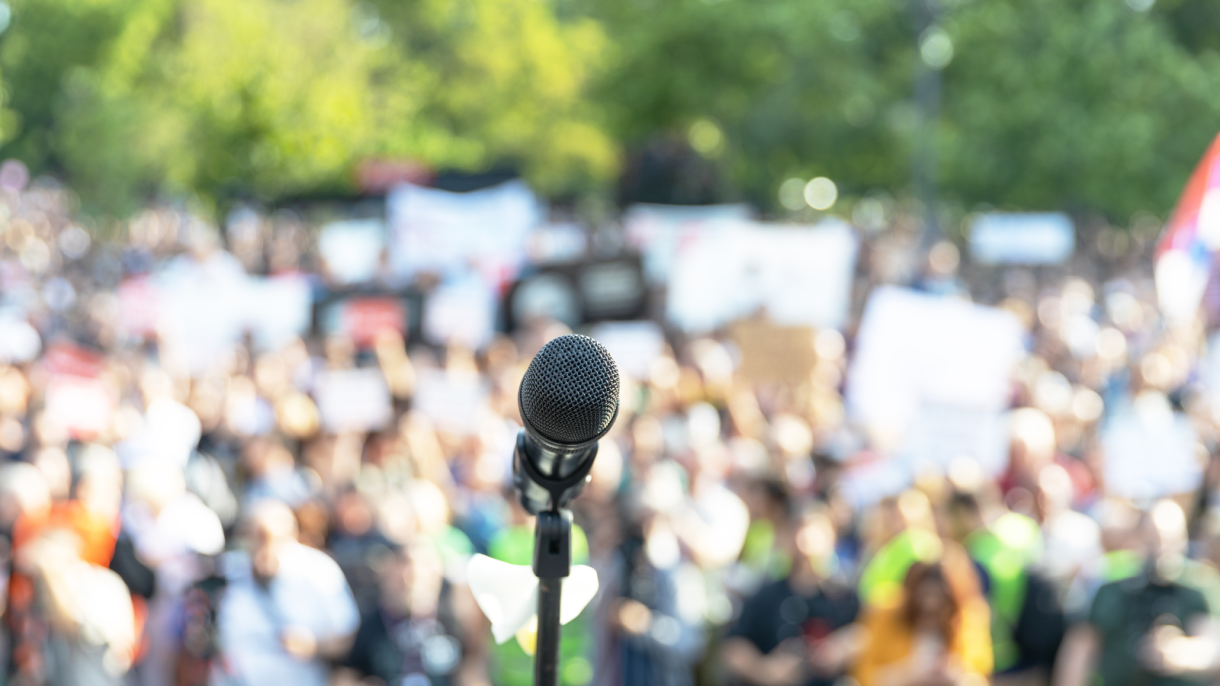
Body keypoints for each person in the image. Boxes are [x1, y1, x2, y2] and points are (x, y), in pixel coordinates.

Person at [1055, 504, 1219, 686]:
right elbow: (1081, 648)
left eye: (1169, 540)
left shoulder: (1197, 587)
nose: (1160, 548)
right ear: (1138, 539)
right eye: (1152, 539)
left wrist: (1178, 652)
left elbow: (1212, 647)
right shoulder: (1111, 589)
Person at [213, 499, 359, 686]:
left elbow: (346, 634)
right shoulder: (229, 572)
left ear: (291, 535)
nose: (263, 545)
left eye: (270, 537)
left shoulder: (318, 571)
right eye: (255, 536)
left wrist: (314, 646)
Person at [723, 506, 860, 686]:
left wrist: (843, 647)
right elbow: (733, 646)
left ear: (831, 538)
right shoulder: (765, 596)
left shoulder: (844, 596)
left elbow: (869, 633)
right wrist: (764, 670)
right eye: (796, 530)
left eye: (814, 533)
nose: (803, 541)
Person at [853, 561, 992, 686]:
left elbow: (981, 675)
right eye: (923, 601)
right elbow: (865, 675)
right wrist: (907, 674)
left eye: (940, 604)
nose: (930, 605)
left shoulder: (968, 622)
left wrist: (957, 675)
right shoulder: (886, 617)